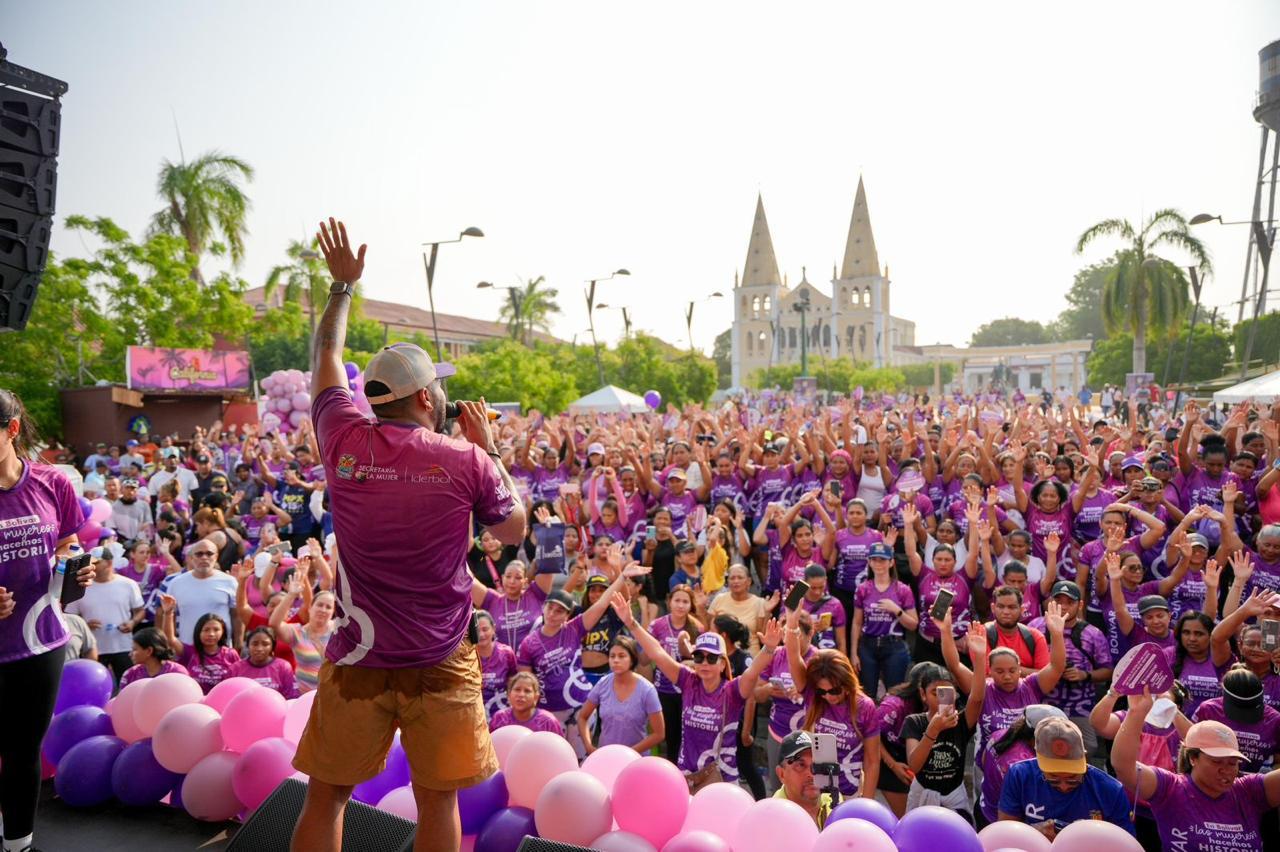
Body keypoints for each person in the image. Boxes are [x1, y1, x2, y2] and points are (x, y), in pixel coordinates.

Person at [291, 218, 526, 852]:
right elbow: (513, 526)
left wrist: (342, 289)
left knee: (327, 794)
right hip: (438, 660)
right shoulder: (463, 459)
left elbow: (325, 359)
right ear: (425, 395)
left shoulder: (341, 434)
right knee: (437, 800)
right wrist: (492, 449)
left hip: (358, 656)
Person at [0, 388, 94, 852]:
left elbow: (67, 543)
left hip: (40, 641)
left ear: (12, 430)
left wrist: (75, 564)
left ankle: (18, 844)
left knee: (21, 752)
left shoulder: (51, 482)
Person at [615, 592, 781, 789]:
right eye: (699, 657)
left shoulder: (732, 691)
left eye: (711, 658)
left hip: (722, 779)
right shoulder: (688, 680)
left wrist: (769, 648)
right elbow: (657, 653)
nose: (704, 663)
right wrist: (631, 622)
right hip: (687, 775)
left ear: (722, 664)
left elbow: (753, 672)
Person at [1113, 686, 1280, 852]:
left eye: (1232, 763)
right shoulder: (1170, 788)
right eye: (1216, 761)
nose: (1226, 770)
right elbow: (1123, 766)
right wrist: (1136, 713)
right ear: (1193, 758)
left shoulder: (1249, 791)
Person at [785, 608, 882, 799]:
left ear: (848, 683)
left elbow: (872, 761)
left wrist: (866, 804)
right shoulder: (814, 696)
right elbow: (793, 656)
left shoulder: (865, 706)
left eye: (835, 690)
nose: (828, 696)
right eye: (823, 691)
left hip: (848, 793)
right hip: (812, 790)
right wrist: (791, 623)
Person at [997, 716, 1135, 840]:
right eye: (1053, 778)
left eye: (1073, 778)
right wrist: (1034, 833)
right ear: (1038, 759)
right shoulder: (1019, 776)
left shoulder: (1111, 790)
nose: (1064, 785)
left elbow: (1125, 843)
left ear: (1084, 757)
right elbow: (1006, 833)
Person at [903, 622, 988, 819]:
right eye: (935, 693)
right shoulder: (914, 722)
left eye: (948, 692)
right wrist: (933, 730)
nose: (941, 697)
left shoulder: (962, 720)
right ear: (923, 695)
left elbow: (977, 698)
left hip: (954, 797)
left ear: (956, 694)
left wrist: (980, 658)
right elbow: (913, 765)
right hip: (922, 794)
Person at [65, 542, 144, 683]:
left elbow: (140, 611)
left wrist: (132, 623)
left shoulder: (128, 584)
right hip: (93, 650)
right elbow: (71, 617)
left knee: (127, 685)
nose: (92, 566)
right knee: (94, 685)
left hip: (123, 647)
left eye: (96, 563)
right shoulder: (81, 587)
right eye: (91, 563)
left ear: (108, 563)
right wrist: (86, 626)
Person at [578, 636, 664, 754]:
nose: (616, 660)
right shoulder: (603, 684)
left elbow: (659, 734)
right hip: (606, 757)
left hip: (635, 760)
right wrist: (588, 745)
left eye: (621, 656)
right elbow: (583, 717)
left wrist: (628, 753)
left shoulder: (647, 690)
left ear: (632, 659)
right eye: (612, 656)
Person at [851, 541, 917, 694]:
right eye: (874, 559)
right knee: (867, 694)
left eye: (882, 560)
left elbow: (913, 624)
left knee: (894, 695)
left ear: (891, 562)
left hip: (894, 646)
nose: (878, 564)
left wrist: (897, 610)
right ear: (869, 562)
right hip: (868, 645)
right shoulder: (863, 589)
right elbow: (856, 623)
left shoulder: (902, 590)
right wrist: (854, 653)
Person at [649, 584, 703, 761]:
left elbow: (704, 659)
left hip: (689, 690)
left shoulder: (698, 628)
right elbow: (646, 656)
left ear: (691, 605)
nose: (680, 605)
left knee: (687, 734)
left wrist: (690, 663)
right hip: (663, 689)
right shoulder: (657, 625)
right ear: (669, 601)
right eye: (677, 600)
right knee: (670, 735)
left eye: (685, 601)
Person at [157, 595, 240, 694]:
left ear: (223, 632)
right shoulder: (190, 652)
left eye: (216, 630)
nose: (211, 634)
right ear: (198, 632)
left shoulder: (231, 654)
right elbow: (170, 639)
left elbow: (238, 680)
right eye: (206, 630)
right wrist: (168, 612)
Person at [164, 540, 239, 646]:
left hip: (221, 649)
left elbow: (236, 615)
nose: (204, 557)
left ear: (216, 556)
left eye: (209, 554)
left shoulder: (230, 581)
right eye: (199, 554)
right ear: (191, 558)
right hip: (188, 648)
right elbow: (170, 615)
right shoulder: (176, 583)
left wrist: (238, 643)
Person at [269, 575, 336, 693]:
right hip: (305, 697)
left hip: (332, 696)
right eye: (319, 605)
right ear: (310, 608)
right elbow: (274, 623)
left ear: (332, 612)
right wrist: (291, 594)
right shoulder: (297, 632)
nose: (323, 610)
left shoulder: (338, 630)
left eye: (328, 607)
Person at [772, 729, 833, 829]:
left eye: (817, 764)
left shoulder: (833, 799)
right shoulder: (772, 819)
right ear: (781, 774)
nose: (812, 774)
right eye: (800, 765)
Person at [229, 625, 300, 698]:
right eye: (255, 644)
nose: (259, 648)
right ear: (247, 646)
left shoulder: (283, 667)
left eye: (265, 644)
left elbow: (292, 696)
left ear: (272, 646)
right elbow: (229, 696)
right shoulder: (236, 668)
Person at [489, 671, 564, 734]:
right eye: (517, 689)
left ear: (536, 697)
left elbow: (559, 748)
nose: (521, 695)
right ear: (509, 695)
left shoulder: (548, 722)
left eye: (527, 691)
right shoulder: (499, 718)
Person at [474, 611, 518, 718]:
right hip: (476, 714)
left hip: (501, 712)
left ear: (493, 629)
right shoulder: (467, 656)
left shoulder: (506, 653)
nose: (481, 635)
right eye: (476, 630)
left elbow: (513, 682)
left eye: (485, 629)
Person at [118, 627, 190, 687]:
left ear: (149, 651)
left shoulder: (176, 672)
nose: (130, 654)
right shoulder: (131, 674)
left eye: (135, 649)